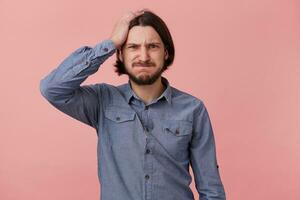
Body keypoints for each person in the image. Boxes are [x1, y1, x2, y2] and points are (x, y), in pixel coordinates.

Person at [40, 9, 226, 200]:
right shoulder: (103, 101)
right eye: (133, 47)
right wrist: (110, 43)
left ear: (166, 53)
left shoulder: (193, 109)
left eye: (152, 46)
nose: (143, 57)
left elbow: (211, 190)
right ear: (120, 54)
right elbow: (52, 88)